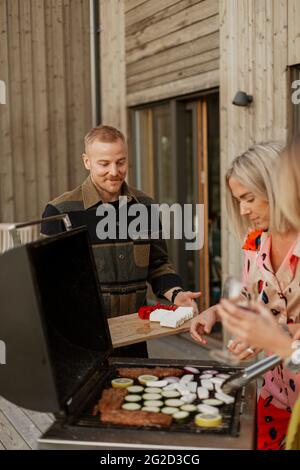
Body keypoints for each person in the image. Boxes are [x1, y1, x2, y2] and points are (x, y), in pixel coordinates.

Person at [41, 125, 200, 358]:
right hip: (81, 343)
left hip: (134, 338)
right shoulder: (59, 212)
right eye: (104, 164)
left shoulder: (146, 206)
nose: (114, 171)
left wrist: (177, 294)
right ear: (87, 161)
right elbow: (48, 283)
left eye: (121, 162)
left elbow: (158, 264)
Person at [190, 142, 300, 450]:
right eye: (238, 200)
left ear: (277, 187)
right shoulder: (256, 243)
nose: (243, 210)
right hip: (271, 391)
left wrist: (270, 335)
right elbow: (252, 300)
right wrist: (215, 312)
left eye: (249, 198)